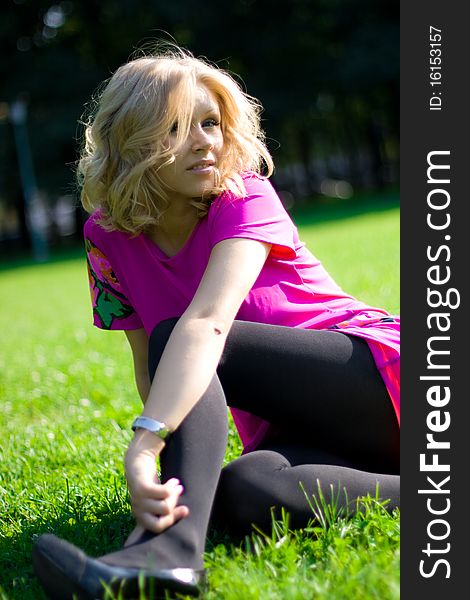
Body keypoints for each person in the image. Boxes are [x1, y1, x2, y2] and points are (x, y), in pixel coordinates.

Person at [33, 44, 400, 600]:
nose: (206, 141)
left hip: (384, 376)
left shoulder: (244, 196)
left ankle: (170, 553)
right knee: (245, 489)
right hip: (309, 433)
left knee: (181, 335)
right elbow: (150, 367)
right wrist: (168, 474)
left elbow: (206, 328)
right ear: (130, 141)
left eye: (211, 122)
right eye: (178, 127)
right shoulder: (105, 238)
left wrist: (144, 446)